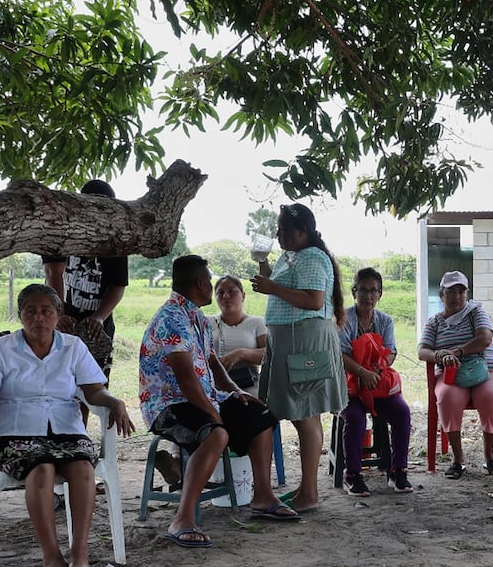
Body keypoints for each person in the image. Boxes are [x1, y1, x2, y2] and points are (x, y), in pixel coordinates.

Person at [0, 284, 134, 567]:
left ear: (58, 315)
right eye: (31, 311)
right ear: (20, 316)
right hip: (15, 432)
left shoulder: (73, 347)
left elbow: (94, 390)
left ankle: (80, 552)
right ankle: (52, 558)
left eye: (46, 311)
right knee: (41, 468)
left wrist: (114, 402)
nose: (38, 318)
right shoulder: (2, 349)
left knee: (83, 467)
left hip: (66, 428)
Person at [139, 255, 299, 549]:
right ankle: (182, 519)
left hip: (201, 396)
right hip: (169, 406)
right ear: (200, 283)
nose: (212, 287)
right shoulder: (171, 319)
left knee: (260, 414)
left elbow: (212, 363)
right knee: (217, 432)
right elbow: (186, 380)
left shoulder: (196, 316)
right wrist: (215, 413)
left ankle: (262, 497)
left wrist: (236, 391)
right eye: (210, 281)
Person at [250, 203, 347, 515]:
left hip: (305, 341)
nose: (278, 235)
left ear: (302, 232)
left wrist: (272, 287)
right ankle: (307, 489)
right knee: (305, 414)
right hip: (291, 341)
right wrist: (267, 274)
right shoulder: (291, 256)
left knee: (306, 414)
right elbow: (286, 290)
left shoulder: (312, 257)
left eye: (283, 230)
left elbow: (313, 299)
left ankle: (310, 492)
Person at [156, 274, 271, 486]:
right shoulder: (204, 320)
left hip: (245, 384)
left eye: (232, 292)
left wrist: (241, 354)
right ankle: (178, 466)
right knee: (199, 415)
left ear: (243, 295)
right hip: (207, 388)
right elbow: (190, 368)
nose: (226, 297)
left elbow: (268, 353)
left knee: (256, 412)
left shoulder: (256, 323)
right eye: (220, 292)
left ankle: (257, 487)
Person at [43, 178, 128, 429]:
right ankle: (55, 434)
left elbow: (118, 286)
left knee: (93, 385)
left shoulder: (116, 240)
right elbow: (53, 273)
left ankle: (77, 436)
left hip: (97, 327)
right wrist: (58, 314)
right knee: (58, 382)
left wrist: (100, 317)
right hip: (60, 322)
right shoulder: (62, 231)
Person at [418, 270, 493, 479]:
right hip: (451, 372)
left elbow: (485, 339)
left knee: (491, 396)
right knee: (447, 397)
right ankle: (458, 459)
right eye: (451, 291)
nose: (457, 296)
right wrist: (440, 356)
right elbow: (422, 350)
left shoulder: (475, 312)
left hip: (487, 367)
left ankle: (489, 457)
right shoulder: (434, 322)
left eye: (461, 291)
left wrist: (457, 351)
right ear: (442, 295)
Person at [338, 267, 414, 496]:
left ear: (380, 294)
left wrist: (377, 370)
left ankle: (397, 470)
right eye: (363, 290)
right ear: (354, 292)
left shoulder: (385, 321)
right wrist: (363, 372)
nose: (368, 296)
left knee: (402, 412)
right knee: (354, 418)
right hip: (350, 386)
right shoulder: (344, 319)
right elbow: (341, 355)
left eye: (373, 291)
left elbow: (391, 352)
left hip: (376, 384)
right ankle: (352, 475)